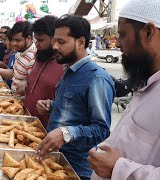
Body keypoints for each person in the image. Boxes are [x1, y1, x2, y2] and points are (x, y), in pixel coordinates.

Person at [35, 15, 115, 179]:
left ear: (80, 42)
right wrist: (51, 105)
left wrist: (66, 133)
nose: (55, 46)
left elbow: (101, 130)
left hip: (76, 168)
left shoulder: (97, 78)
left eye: (61, 42)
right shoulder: (68, 71)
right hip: (54, 160)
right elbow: (73, 109)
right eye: (54, 41)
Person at [88, 0, 160, 179]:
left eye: (122, 34)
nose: (118, 43)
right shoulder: (148, 82)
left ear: (149, 32)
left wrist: (119, 169)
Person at [24, 16, 64, 128]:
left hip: (47, 130)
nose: (37, 44)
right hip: (28, 123)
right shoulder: (39, 57)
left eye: (41, 40)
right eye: (36, 39)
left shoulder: (63, 64)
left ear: (54, 38)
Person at [10, 21, 37, 98]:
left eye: (18, 40)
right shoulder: (20, 51)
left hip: (20, 104)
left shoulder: (33, 57)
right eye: (13, 40)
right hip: (13, 97)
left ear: (28, 38)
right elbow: (15, 73)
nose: (14, 43)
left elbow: (31, 86)